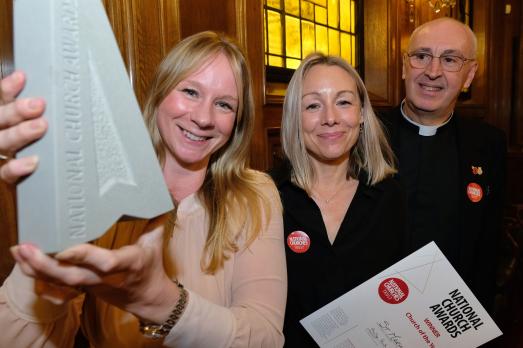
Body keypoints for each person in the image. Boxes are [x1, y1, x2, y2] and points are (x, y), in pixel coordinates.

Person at [0, 31, 287, 347]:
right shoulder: (101, 194)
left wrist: (162, 303)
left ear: (238, 121)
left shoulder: (254, 196)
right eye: (190, 91)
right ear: (160, 92)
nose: (204, 118)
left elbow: (265, 337)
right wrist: (45, 240)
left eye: (223, 104)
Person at [270, 53, 407, 347]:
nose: (330, 117)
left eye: (343, 102)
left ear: (361, 114)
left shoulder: (390, 198)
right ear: (295, 116)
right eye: (313, 105)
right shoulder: (265, 197)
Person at [379, 17, 507, 313]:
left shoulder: (488, 144)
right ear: (403, 65)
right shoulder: (363, 132)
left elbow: (487, 247)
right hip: (371, 313)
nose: (432, 72)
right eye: (421, 56)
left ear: (469, 75)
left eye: (450, 60)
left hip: (447, 317)